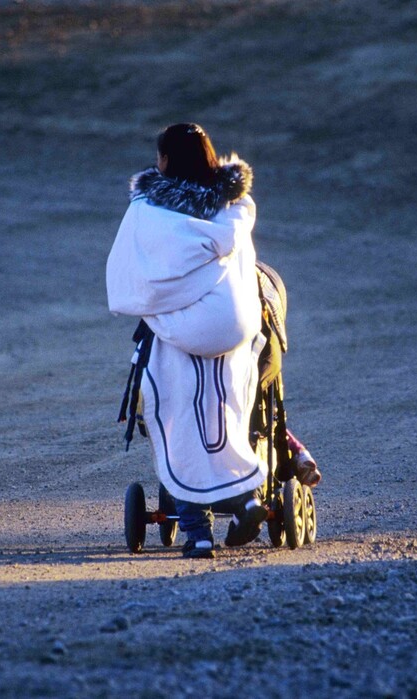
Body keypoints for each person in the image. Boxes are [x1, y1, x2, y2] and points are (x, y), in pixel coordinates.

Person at [107, 123, 318, 559]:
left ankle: (198, 533)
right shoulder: (236, 205)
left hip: (185, 333)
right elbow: (245, 270)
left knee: (177, 416)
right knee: (228, 413)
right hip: (236, 330)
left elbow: (136, 271)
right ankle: (245, 502)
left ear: (166, 161)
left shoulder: (150, 208)